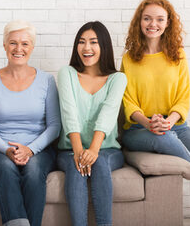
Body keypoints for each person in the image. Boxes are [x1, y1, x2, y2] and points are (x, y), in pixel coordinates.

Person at [0, 20, 61, 226]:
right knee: (6, 170)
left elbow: (54, 126)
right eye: (13, 43)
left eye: (25, 43)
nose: (18, 49)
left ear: (32, 47)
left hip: (38, 150)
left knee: (33, 172)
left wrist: (30, 150)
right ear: (4, 46)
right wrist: (7, 150)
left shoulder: (47, 80)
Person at [57, 21, 126, 226]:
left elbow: (108, 114)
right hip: (70, 149)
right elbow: (69, 113)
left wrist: (94, 150)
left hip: (107, 149)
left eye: (93, 42)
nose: (86, 48)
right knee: (75, 165)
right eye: (82, 42)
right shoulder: (67, 73)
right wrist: (79, 151)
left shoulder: (117, 78)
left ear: (104, 46)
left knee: (100, 162)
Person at [122, 0, 190, 162]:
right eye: (147, 18)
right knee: (164, 137)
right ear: (140, 21)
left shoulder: (179, 55)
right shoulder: (128, 59)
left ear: (168, 23)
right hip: (138, 129)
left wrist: (168, 123)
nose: (153, 24)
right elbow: (128, 101)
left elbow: (184, 97)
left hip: (176, 125)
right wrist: (148, 123)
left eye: (160, 19)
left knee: (169, 134)